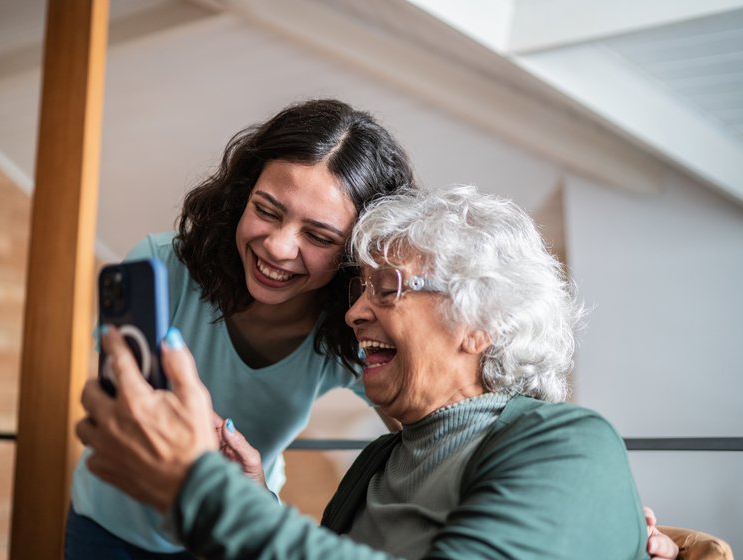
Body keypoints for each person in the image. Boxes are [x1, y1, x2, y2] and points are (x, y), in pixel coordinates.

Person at [77, 184, 680, 559]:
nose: (355, 311)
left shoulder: (568, 442)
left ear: (481, 322)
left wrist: (199, 493)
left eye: (386, 288)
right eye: (360, 287)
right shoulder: (380, 463)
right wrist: (247, 496)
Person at [65, 99, 415, 557]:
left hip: (229, 533)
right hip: (109, 527)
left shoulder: (354, 324)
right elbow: (117, 410)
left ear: (355, 255)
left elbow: (424, 436)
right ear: (242, 195)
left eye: (318, 237)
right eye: (267, 210)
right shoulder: (162, 265)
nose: (278, 247)